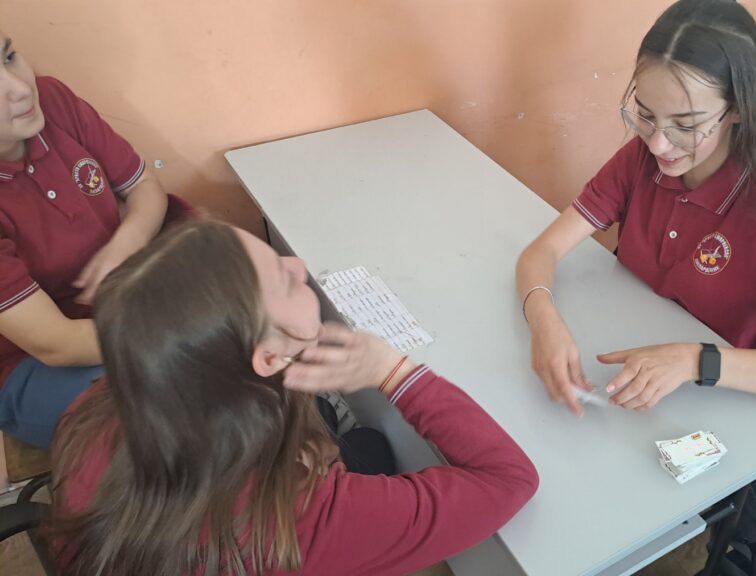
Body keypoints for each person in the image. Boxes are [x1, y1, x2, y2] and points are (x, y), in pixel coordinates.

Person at [515, 0, 756, 565]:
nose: (659, 144)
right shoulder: (641, 161)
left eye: (686, 125)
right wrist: (544, 320)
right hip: (634, 385)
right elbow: (542, 250)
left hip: (712, 407)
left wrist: (694, 360)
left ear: (739, 110)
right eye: (645, 115)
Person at [49, 219, 539, 576]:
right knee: (369, 448)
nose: (299, 265)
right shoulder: (302, 519)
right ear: (267, 358)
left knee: (363, 443)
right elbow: (510, 480)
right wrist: (393, 371)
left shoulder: (99, 407)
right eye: (285, 280)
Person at [0, 32, 173, 488]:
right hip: (27, 366)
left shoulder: (53, 102)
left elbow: (144, 188)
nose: (20, 87)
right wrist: (179, 336)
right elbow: (55, 344)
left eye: (9, 56)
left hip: (122, 309)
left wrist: (125, 244)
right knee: (173, 404)